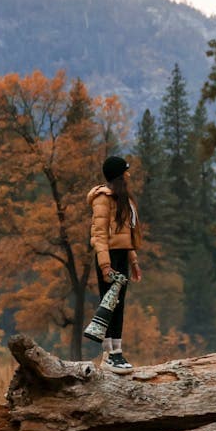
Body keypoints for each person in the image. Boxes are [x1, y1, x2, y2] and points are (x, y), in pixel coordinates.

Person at [87, 155, 142, 374]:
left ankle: (117, 352)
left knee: (119, 304)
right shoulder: (102, 199)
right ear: (119, 175)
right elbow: (100, 235)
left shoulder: (122, 198)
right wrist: (105, 266)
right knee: (108, 304)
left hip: (120, 257)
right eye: (125, 171)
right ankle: (109, 355)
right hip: (107, 258)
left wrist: (134, 261)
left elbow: (126, 236)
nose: (129, 174)